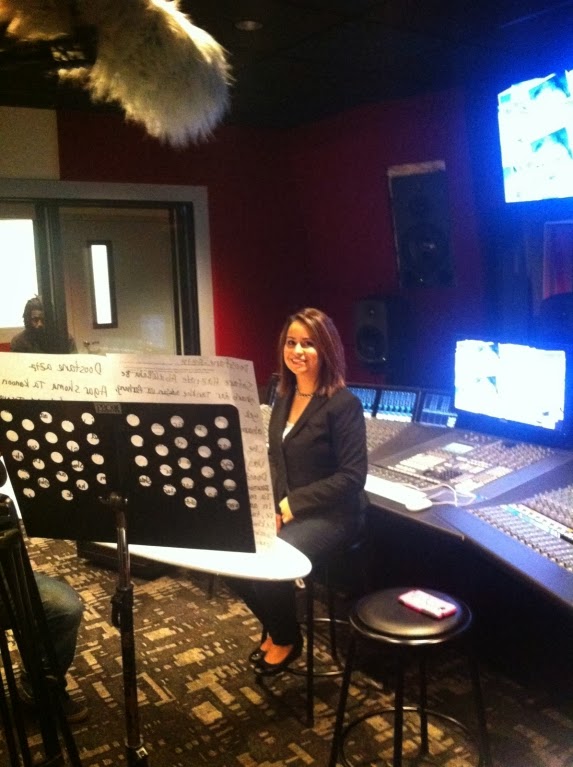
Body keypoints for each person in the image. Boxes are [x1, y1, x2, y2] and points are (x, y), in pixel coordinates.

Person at [232, 307, 368, 674]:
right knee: (232, 555)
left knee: (270, 561)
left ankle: (287, 639)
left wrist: (290, 506)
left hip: (335, 514)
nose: (298, 351)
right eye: (291, 342)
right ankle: (279, 628)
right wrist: (268, 507)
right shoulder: (284, 395)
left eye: (308, 344)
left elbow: (352, 477)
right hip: (288, 508)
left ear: (326, 349)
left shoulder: (344, 405)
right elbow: (276, 461)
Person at [10, 296, 77, 353]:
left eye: (44, 320)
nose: (40, 324)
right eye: (35, 320)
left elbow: (73, 362)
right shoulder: (19, 342)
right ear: (28, 319)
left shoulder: (65, 339)